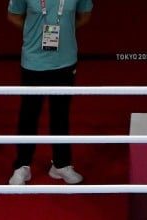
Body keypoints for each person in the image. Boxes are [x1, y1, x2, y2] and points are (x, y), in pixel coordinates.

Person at [7, 0, 92, 186]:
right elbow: (13, 15)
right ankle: (22, 165)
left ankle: (61, 164)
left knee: (61, 115)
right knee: (29, 115)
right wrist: (33, 30)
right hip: (33, 62)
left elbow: (85, 15)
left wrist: (65, 31)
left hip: (65, 61)